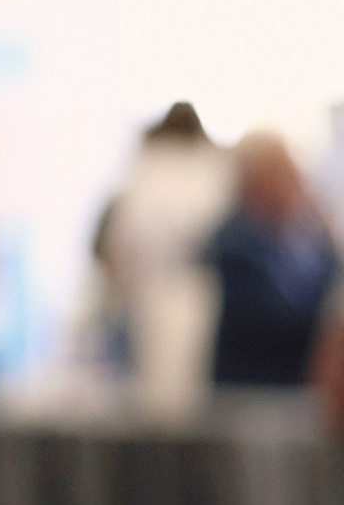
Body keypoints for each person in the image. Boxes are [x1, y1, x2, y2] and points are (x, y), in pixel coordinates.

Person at [102, 102, 233, 416]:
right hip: (186, 288)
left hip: (156, 288)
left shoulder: (146, 169)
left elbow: (120, 243)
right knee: (181, 388)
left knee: (156, 387)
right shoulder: (212, 170)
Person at [202, 132, 337, 389]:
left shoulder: (293, 237)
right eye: (289, 173)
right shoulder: (233, 245)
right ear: (259, 180)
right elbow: (283, 322)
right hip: (251, 394)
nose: (300, 183)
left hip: (286, 393)